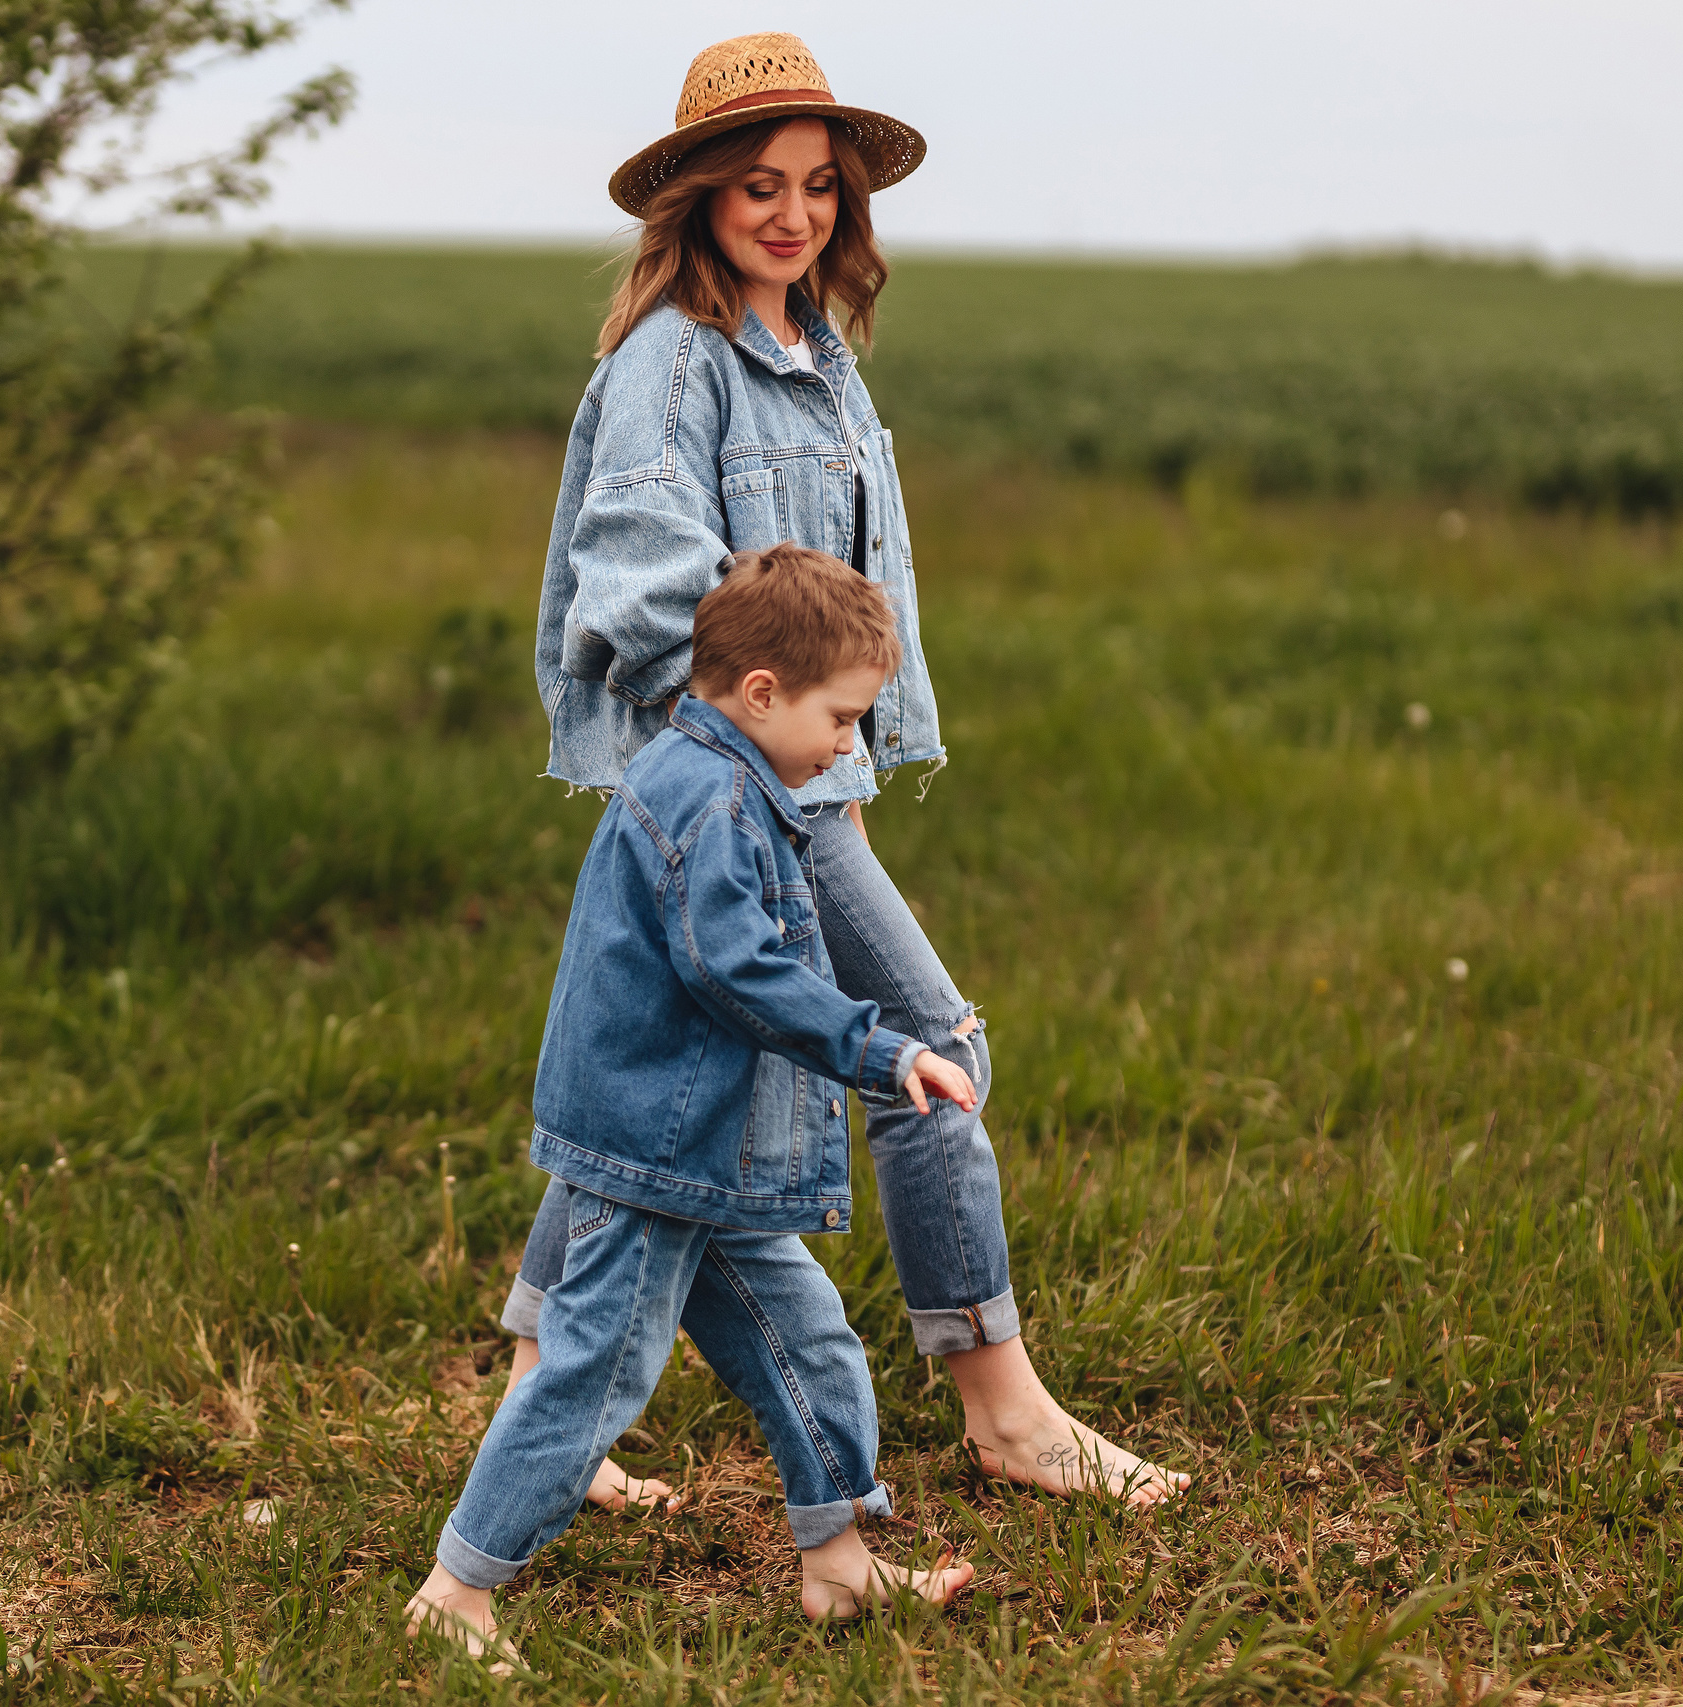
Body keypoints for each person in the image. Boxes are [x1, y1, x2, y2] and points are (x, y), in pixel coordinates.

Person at [515, 32, 1187, 1516]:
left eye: (818, 186)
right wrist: (779, 757)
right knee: (934, 1050)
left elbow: (835, 606)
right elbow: (638, 594)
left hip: (807, 787)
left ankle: (537, 1392)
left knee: (660, 1070)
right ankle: (1005, 1405)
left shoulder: (815, 357)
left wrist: (845, 753)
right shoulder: (673, 361)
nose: (791, 212)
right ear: (695, 197)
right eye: (757, 183)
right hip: (742, 793)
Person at [407, 548, 979, 1670]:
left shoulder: (726, 779)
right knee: (596, 1369)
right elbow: (736, 967)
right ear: (761, 691)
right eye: (843, 718)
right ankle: (454, 1593)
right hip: (657, 1150)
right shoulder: (707, 798)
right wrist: (876, 1044)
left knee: (810, 1345)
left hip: (704, 1152)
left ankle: (842, 1563)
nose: (850, 745)